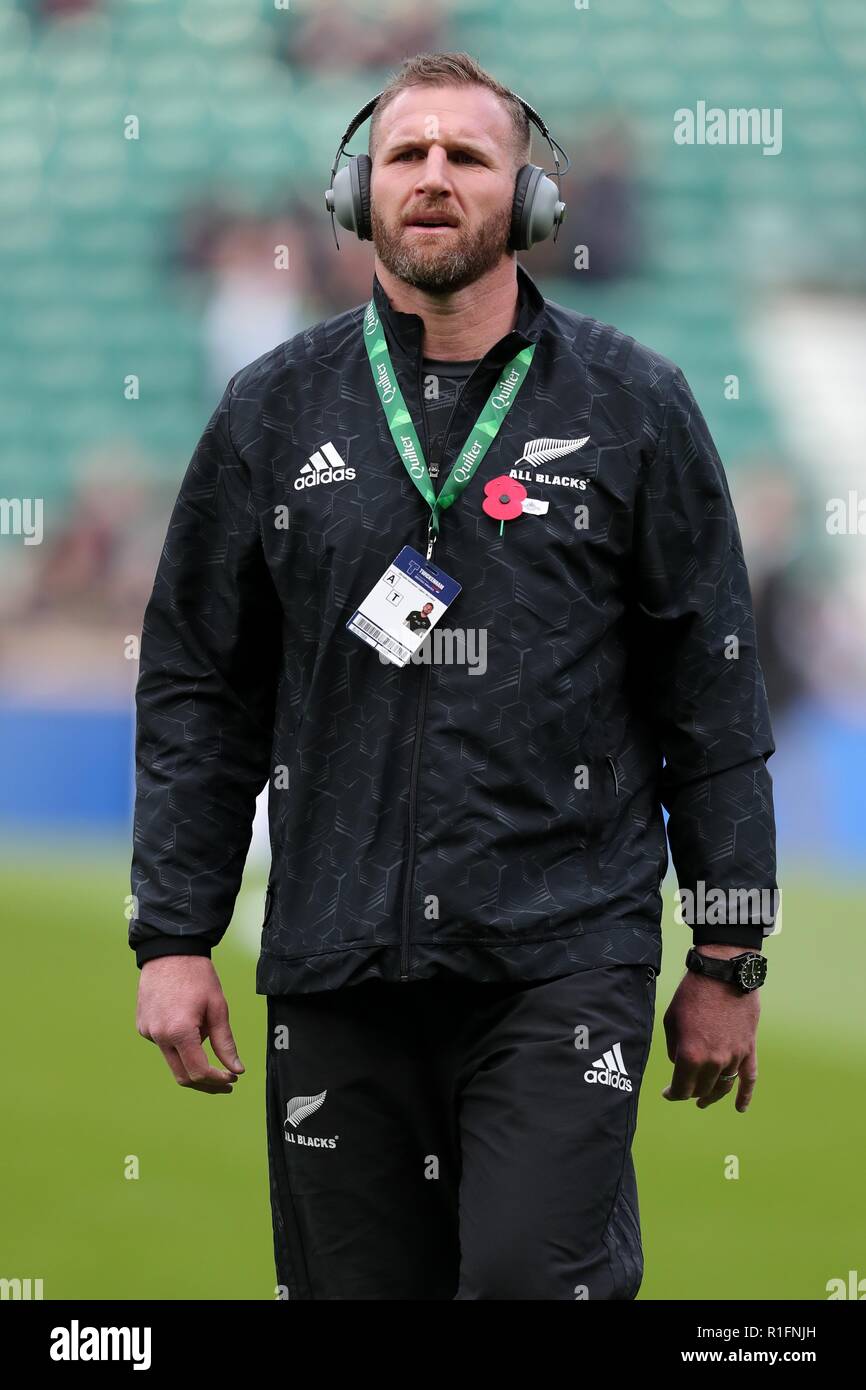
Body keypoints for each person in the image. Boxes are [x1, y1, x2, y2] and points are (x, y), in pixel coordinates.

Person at [130, 52, 778, 1301]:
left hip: (559, 955)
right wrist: (172, 934)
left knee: (531, 1283)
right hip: (333, 957)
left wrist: (727, 954)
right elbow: (199, 690)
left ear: (528, 202)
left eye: (467, 157)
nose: (432, 178)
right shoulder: (269, 412)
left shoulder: (636, 405)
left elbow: (713, 693)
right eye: (407, 155)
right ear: (354, 193)